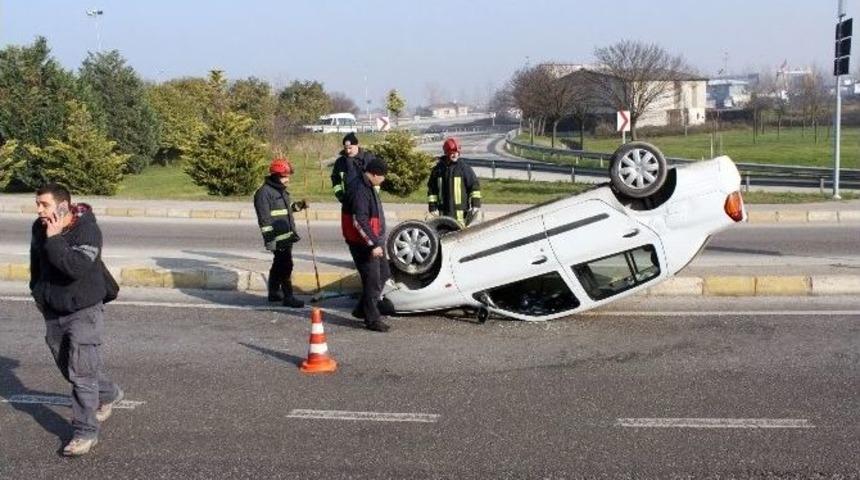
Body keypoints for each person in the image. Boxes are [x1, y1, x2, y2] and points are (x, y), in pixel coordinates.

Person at [29, 183, 124, 457]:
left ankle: (85, 433)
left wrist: (55, 238)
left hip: (84, 310)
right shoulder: (39, 227)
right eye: (37, 204)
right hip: (53, 311)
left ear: (63, 207)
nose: (39, 210)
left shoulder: (87, 230)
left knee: (81, 374)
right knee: (70, 370)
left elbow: (75, 267)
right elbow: (37, 264)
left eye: (44, 205)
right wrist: (37, 293)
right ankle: (109, 393)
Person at [341, 157, 392, 332]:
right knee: (373, 280)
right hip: (363, 244)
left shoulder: (367, 185)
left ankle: (361, 309)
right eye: (383, 176)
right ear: (375, 174)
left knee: (384, 273)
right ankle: (372, 319)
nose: (383, 180)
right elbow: (359, 221)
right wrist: (372, 245)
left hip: (374, 240)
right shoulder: (360, 189)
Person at [254, 157, 308, 308]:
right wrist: (270, 240)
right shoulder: (263, 193)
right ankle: (288, 296)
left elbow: (286, 210)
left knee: (278, 264)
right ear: (276, 176)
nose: (287, 179)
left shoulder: (280, 190)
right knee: (286, 266)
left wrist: (299, 206)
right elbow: (264, 220)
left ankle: (273, 292)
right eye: (285, 176)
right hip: (277, 239)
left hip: (286, 236)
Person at [427, 137, 482, 226]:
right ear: (446, 153)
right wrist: (432, 207)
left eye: (457, 153)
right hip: (443, 212)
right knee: (443, 232)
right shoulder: (438, 170)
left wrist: (475, 205)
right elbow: (432, 191)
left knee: (460, 233)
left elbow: (474, 187)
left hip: (460, 214)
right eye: (452, 153)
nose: (455, 155)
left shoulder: (464, 168)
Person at [330, 132, 378, 204]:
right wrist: (340, 195)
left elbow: (377, 177)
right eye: (345, 148)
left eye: (350, 148)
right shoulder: (340, 162)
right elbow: (335, 180)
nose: (348, 151)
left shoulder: (369, 159)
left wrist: (374, 195)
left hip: (369, 201)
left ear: (357, 145)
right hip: (348, 201)